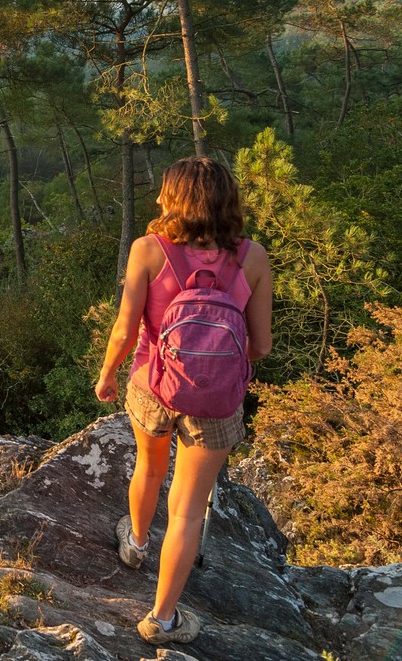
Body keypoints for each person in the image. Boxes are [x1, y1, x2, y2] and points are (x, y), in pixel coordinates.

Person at [94, 155, 272, 645]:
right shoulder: (252, 258)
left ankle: (134, 543)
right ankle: (162, 620)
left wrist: (108, 375)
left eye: (162, 192)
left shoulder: (148, 250)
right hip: (215, 401)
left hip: (153, 386)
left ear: (176, 201)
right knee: (189, 510)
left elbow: (125, 330)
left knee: (148, 469)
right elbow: (261, 346)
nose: (155, 199)